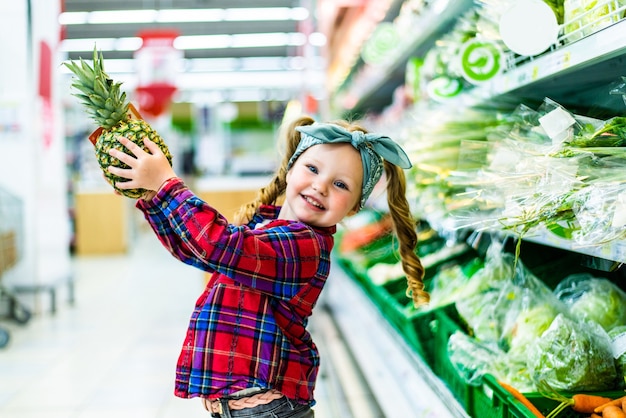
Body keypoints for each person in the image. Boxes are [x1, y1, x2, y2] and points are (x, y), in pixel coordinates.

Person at [106, 115, 429, 417]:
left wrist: (167, 184)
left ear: (355, 208)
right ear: (290, 168)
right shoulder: (264, 229)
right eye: (313, 169)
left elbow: (215, 244)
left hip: (266, 409)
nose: (321, 186)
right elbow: (195, 251)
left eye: (341, 184)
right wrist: (153, 197)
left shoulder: (304, 245)